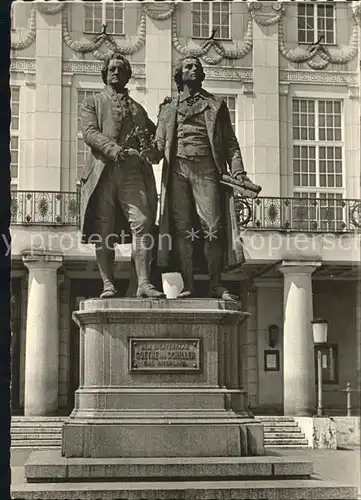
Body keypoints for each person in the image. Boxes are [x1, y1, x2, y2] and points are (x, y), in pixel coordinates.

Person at [156, 56, 254, 301]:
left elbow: (231, 143)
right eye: (188, 66)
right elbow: (158, 147)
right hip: (177, 169)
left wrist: (238, 171)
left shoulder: (216, 105)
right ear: (179, 74)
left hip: (206, 169)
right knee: (183, 230)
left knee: (212, 227)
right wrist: (147, 149)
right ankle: (188, 285)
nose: (194, 69)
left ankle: (215, 284)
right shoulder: (168, 108)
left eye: (197, 66)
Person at [79, 51, 164, 299]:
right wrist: (114, 150)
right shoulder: (92, 102)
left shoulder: (138, 109)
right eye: (112, 69)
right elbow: (90, 132)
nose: (116, 72)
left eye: (121, 69)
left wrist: (166, 118)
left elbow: (154, 140)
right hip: (103, 172)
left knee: (143, 222)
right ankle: (108, 283)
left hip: (133, 174)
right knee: (103, 228)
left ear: (128, 75)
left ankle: (144, 283)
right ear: (105, 74)